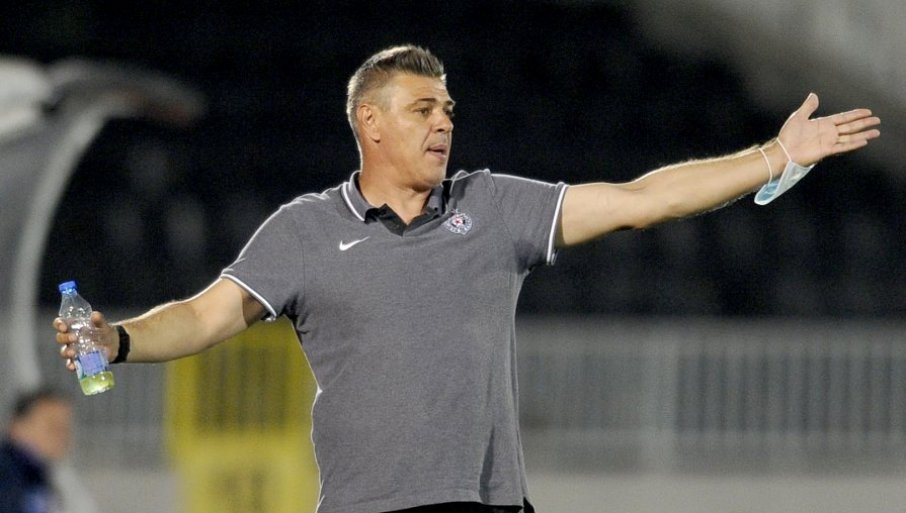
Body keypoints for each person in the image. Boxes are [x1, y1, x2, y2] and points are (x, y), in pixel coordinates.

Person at [53, 45, 880, 513]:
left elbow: (640, 200)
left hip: (488, 505)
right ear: (370, 123)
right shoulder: (304, 229)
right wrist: (115, 339)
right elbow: (205, 316)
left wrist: (775, 155)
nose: (444, 122)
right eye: (424, 109)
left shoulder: (490, 206)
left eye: (449, 109)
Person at [1, 388, 73, 513]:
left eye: (65, 427)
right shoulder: (7, 476)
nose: (62, 435)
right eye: (52, 426)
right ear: (18, 426)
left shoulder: (34, 475)